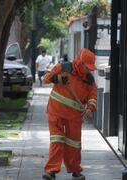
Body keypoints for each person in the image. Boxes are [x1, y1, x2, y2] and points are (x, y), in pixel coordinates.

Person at [42, 48, 97, 180]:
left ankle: (75, 170)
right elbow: (46, 78)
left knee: (74, 143)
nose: (88, 70)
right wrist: (58, 78)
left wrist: (90, 108)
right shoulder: (64, 67)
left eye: (90, 68)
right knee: (57, 140)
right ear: (80, 62)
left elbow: (92, 95)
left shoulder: (89, 79)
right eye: (86, 67)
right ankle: (51, 171)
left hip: (74, 116)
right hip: (56, 111)